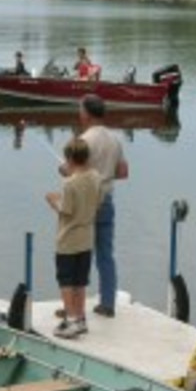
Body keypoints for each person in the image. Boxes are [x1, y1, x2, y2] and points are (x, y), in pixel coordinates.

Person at [58, 94, 128, 318]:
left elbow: (75, 173)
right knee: (105, 254)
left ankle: (73, 309)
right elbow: (123, 172)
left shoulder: (85, 141)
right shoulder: (116, 139)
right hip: (106, 200)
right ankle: (108, 304)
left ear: (86, 114)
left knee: (77, 253)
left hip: (84, 205)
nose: (79, 113)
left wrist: (65, 170)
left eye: (80, 110)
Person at [45, 138, 102, 339]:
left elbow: (66, 210)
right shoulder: (96, 176)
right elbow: (94, 199)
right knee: (80, 281)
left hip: (68, 240)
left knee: (66, 281)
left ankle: (70, 321)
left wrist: (53, 201)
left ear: (70, 158)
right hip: (86, 238)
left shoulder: (69, 184)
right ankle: (80, 318)